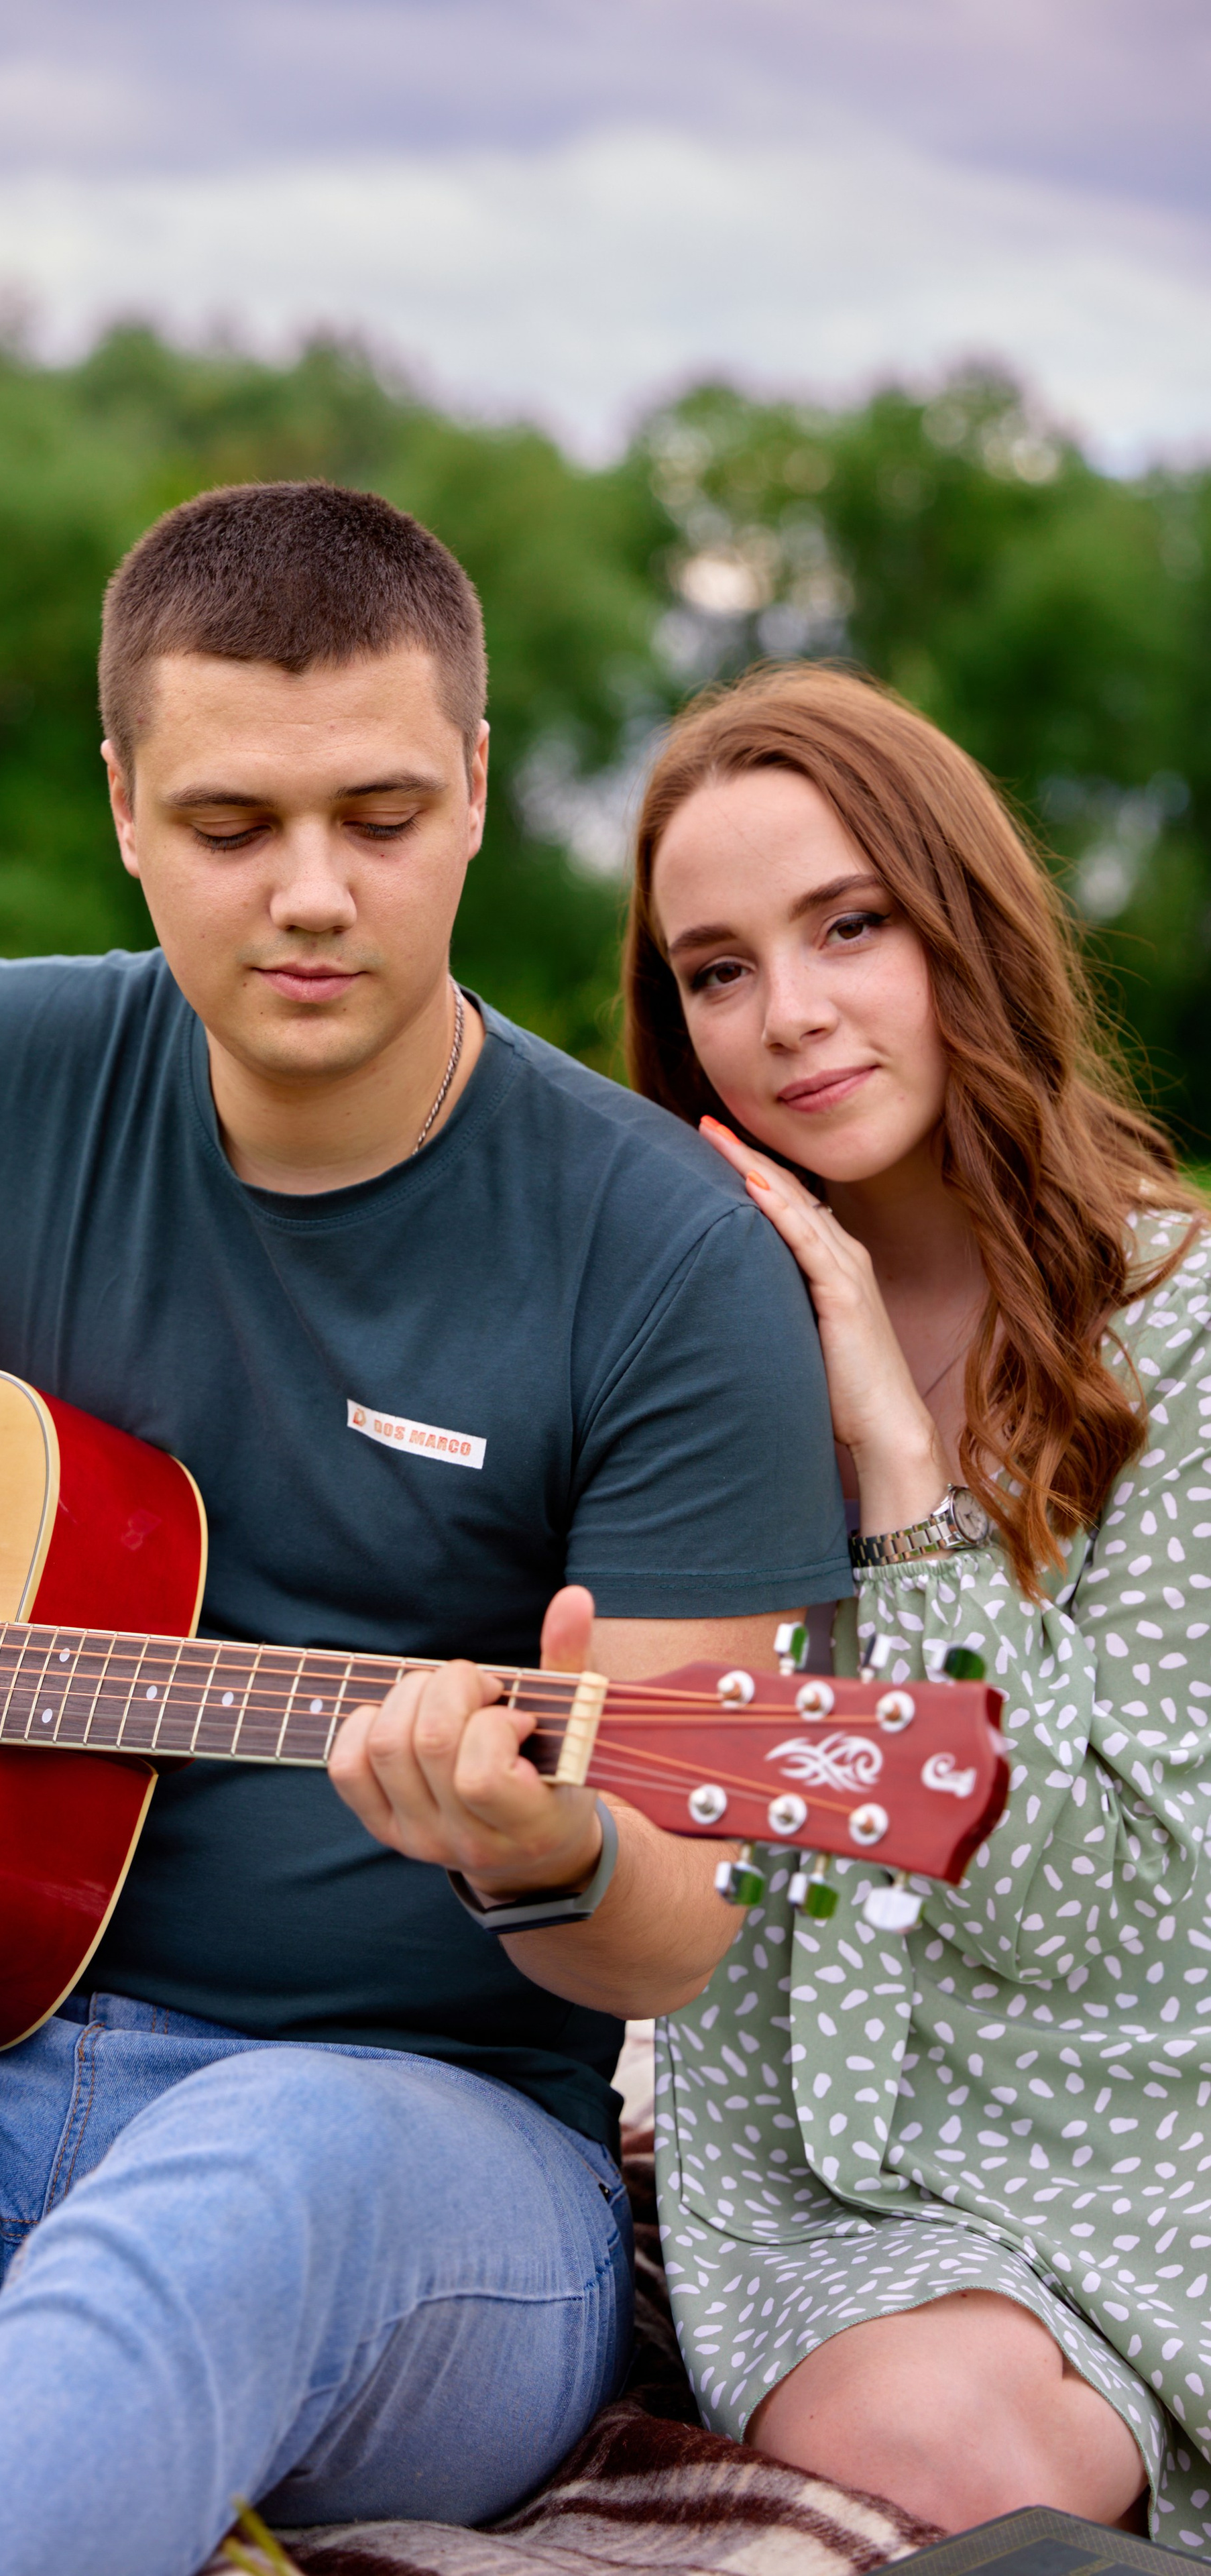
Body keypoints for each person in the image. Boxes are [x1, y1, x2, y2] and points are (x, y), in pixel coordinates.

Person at [0, 485, 854, 2576]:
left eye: (380, 816)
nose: (312, 893)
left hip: (414, 2167)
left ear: (480, 789)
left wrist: (541, 1842)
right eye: (231, 824)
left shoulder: (667, 1258)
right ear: (125, 804)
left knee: (251, 2172)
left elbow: (675, 1920)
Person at [624, 658, 1211, 2546]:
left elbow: (1089, 1910)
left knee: (987, 2456)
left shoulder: (1182, 1328)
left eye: (850, 926)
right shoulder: (673, 1345)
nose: (788, 1015)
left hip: (1141, 2139)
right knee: (937, 2440)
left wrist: (899, 1465)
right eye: (718, 970)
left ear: (967, 926)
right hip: (813, 2179)